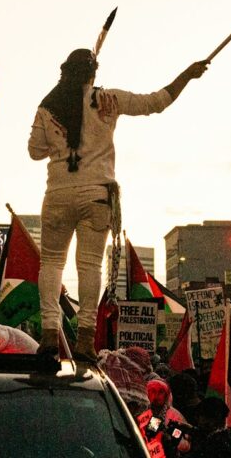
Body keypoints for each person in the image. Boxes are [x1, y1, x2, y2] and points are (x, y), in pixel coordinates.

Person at [28, 48, 208, 360]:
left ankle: (48, 336)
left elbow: (34, 151)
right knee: (89, 266)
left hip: (58, 193)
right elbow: (156, 102)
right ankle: (85, 339)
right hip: (97, 194)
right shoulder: (108, 99)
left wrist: (61, 142)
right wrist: (186, 76)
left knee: (52, 264)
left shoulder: (47, 106)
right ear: (93, 74)